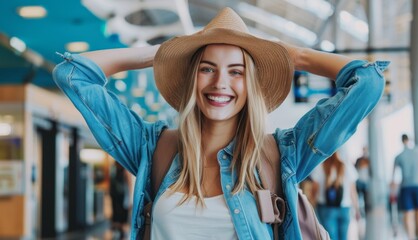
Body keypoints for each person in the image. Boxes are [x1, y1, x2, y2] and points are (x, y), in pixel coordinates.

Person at [52, 7, 387, 240]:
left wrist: (294, 57)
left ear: (250, 84)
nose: (220, 83)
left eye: (236, 71)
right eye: (207, 68)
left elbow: (368, 83)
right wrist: (159, 54)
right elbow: (72, 74)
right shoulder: (154, 149)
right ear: (192, 77)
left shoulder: (281, 155)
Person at [311, 152, 360, 240]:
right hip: (345, 208)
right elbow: (353, 191)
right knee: (343, 237)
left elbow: (315, 190)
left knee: (330, 237)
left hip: (325, 208)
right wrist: (357, 209)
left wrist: (311, 206)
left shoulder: (320, 165)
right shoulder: (347, 166)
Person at [391, 134, 418, 240]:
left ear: (402, 141)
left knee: (408, 213)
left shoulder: (398, 156)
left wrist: (393, 192)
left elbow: (393, 177)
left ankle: (411, 237)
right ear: (410, 139)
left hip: (406, 187)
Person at [109, 161, 131, 239]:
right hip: (116, 198)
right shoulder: (114, 171)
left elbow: (129, 186)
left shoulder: (125, 171)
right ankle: (118, 233)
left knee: (122, 218)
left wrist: (129, 200)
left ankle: (121, 234)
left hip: (122, 198)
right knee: (116, 217)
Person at [355, 147, 371, 215]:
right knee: (359, 197)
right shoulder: (359, 160)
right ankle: (359, 211)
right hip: (359, 181)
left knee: (366, 198)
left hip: (366, 182)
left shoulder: (369, 160)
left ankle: (365, 211)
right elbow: (355, 168)